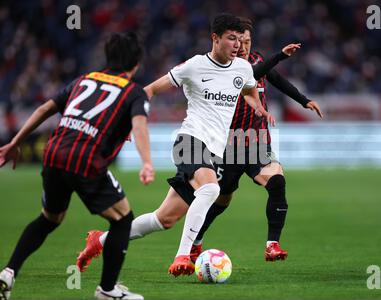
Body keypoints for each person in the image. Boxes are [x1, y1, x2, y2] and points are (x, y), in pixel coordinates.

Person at [76, 13, 273, 277]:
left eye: (240, 39)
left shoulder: (243, 68)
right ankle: (183, 255)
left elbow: (249, 90)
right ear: (215, 38)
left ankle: (98, 241)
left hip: (210, 152)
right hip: (189, 141)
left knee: (163, 219)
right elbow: (150, 89)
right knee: (212, 188)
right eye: (231, 38)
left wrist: (257, 106)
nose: (238, 45)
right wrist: (125, 119)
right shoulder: (194, 66)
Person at [0, 32, 154, 300]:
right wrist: (147, 162)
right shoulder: (134, 92)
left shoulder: (84, 79)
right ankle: (107, 291)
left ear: (108, 57)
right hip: (85, 159)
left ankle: (8, 272)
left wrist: (15, 142)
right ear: (136, 63)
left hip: (54, 153)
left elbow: (43, 110)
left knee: (50, 218)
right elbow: (139, 126)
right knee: (123, 219)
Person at [189, 17, 323, 262]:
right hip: (229, 146)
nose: (244, 47)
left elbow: (276, 80)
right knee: (221, 200)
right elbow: (253, 74)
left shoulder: (257, 60)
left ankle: (272, 244)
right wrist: (280, 55)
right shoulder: (225, 68)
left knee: (277, 182)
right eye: (240, 41)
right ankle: (195, 241)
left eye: (248, 41)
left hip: (258, 142)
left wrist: (304, 100)